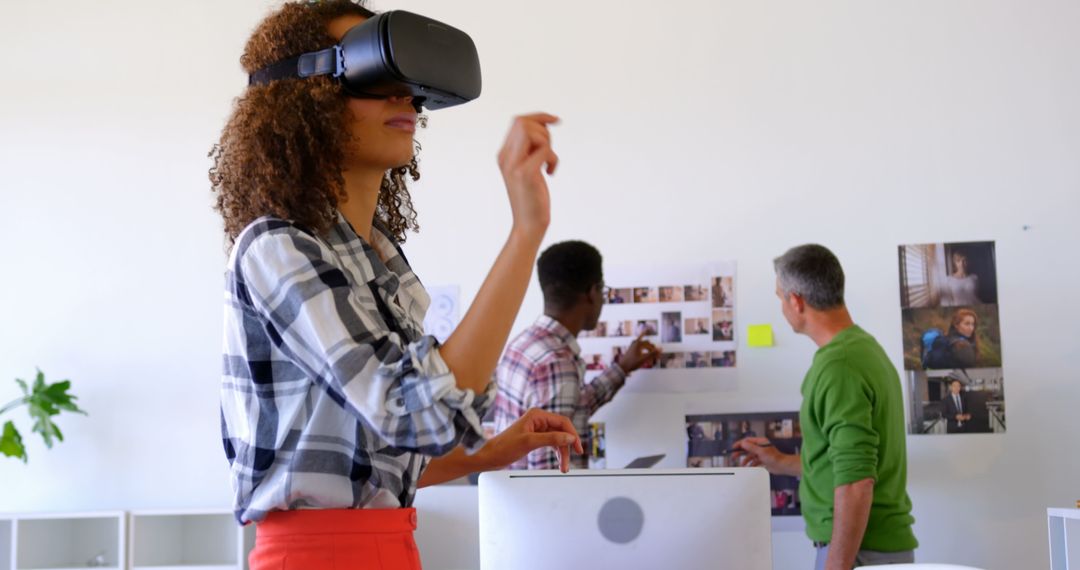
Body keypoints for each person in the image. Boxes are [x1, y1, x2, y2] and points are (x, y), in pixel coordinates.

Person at [212, 2, 583, 567]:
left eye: (408, 82)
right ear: (301, 99)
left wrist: (490, 452)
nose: (404, 96)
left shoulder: (378, 261)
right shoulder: (276, 247)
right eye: (371, 73)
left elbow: (384, 456)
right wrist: (526, 232)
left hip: (391, 548)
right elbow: (413, 414)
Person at [733, 244, 917, 570]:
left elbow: (856, 481)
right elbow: (841, 466)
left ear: (796, 301)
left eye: (779, 298)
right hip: (868, 550)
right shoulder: (863, 349)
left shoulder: (840, 366)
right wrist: (778, 461)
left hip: (859, 553)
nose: (781, 307)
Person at [492, 241, 660, 469]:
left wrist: (622, 368)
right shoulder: (557, 364)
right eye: (603, 291)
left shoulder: (525, 343)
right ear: (592, 292)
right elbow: (551, 477)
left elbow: (573, 409)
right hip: (545, 503)